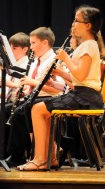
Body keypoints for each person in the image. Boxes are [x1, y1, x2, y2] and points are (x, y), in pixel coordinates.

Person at [17, 4, 105, 171]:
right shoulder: (87, 45)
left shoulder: (88, 45)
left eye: (76, 20)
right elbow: (80, 78)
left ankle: (40, 159)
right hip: (83, 93)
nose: (73, 24)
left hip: (85, 97)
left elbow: (80, 75)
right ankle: (51, 157)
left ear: (88, 25)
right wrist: (61, 73)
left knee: (37, 109)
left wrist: (65, 59)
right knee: (41, 110)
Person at [5, 27, 65, 167]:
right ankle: (16, 154)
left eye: (33, 43)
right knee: (12, 110)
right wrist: (25, 90)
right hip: (36, 97)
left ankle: (19, 155)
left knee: (20, 112)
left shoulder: (54, 60)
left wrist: (32, 83)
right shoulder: (36, 61)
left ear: (44, 43)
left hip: (50, 99)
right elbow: (33, 87)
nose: (30, 47)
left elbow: (57, 90)